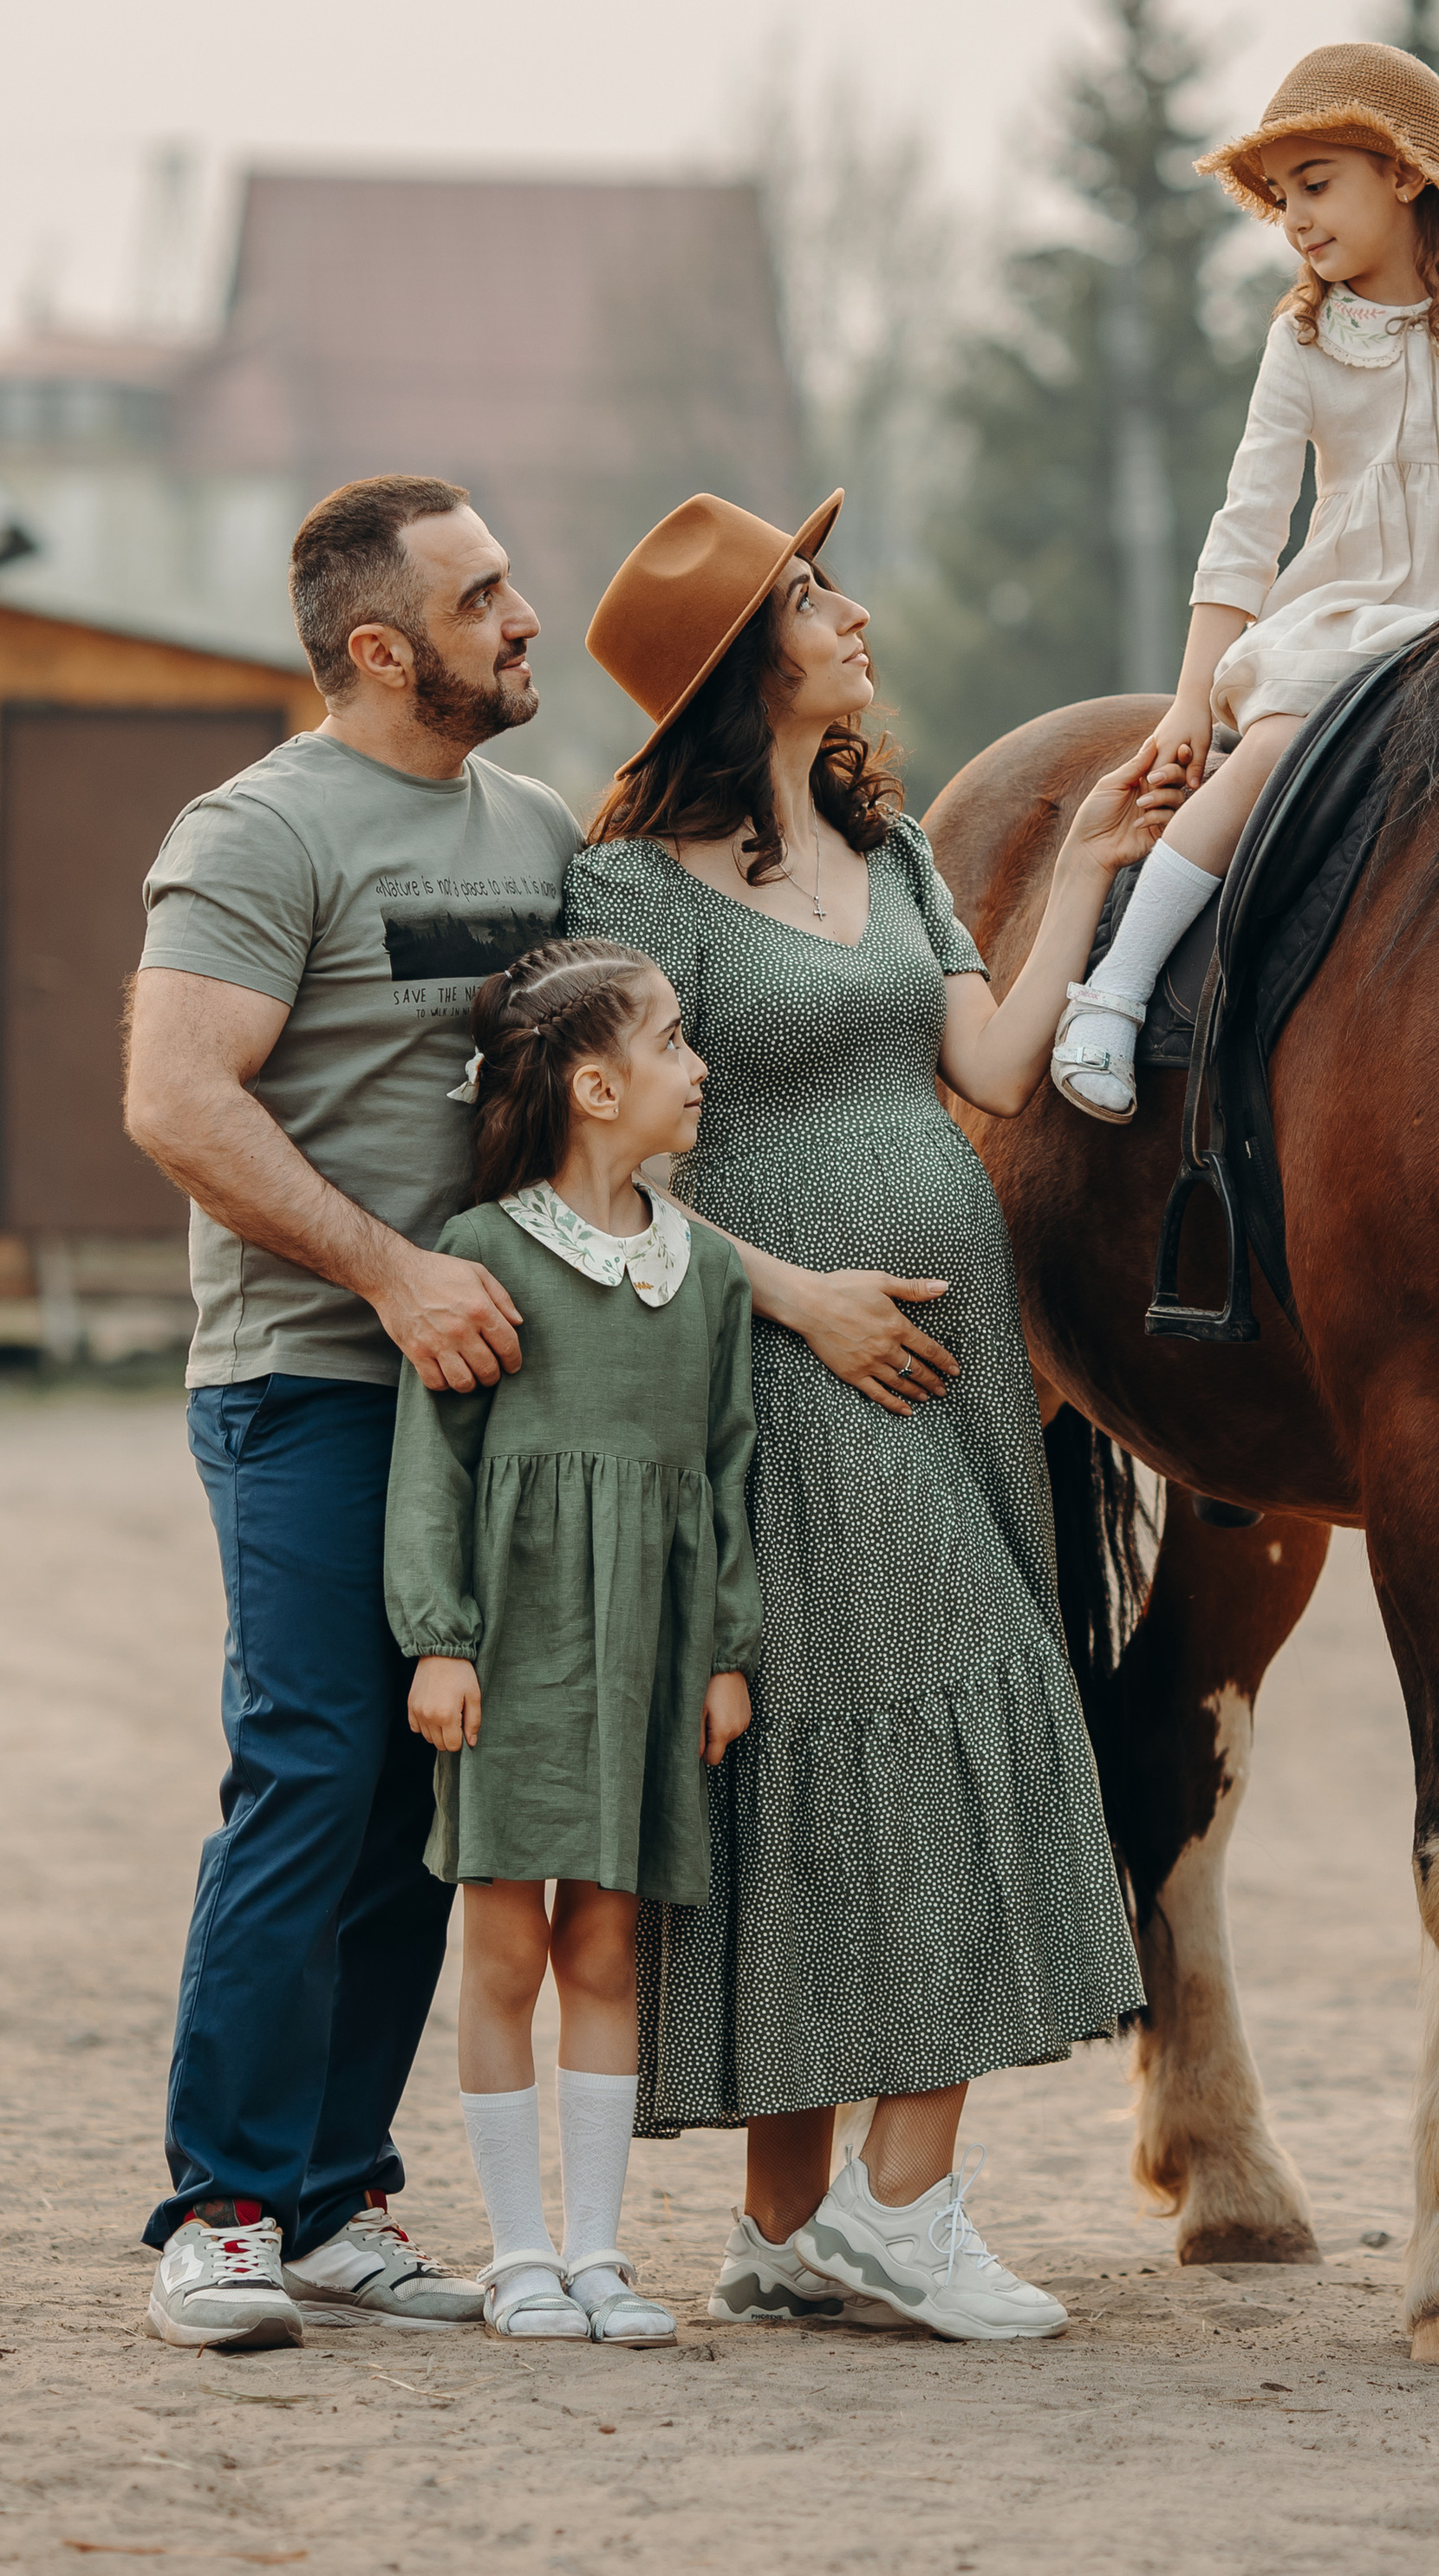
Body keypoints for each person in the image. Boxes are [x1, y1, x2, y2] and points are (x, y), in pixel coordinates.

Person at [562, 489, 1162, 2344]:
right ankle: (904, 2215)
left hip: (945, 1357)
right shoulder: (631, 895)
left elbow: (983, 1064)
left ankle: (784, 2223)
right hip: (769, 1359)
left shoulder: (886, 848)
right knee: (948, 1708)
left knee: (857, 1743)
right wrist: (798, 1296)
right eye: (814, 597)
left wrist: (1078, 883)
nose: (853, 611)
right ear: (742, 661)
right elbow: (585, 1176)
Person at [125, 475, 582, 2351]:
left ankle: (330, 2201)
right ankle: (221, 2207)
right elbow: (175, 1097)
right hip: (308, 1379)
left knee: (421, 1793)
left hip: (493, 1398)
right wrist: (392, 1275)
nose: (523, 614)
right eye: (485, 596)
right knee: (311, 1770)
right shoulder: (256, 830)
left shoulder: (541, 828)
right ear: (380, 647)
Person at [1052, 38, 1439, 1118]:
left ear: (1404, 174)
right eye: (1279, 198)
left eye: (1316, 184)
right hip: (1353, 611)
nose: (1295, 218)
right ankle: (1117, 991)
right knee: (1265, 749)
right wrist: (1184, 698)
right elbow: (1249, 522)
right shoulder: (1304, 340)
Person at [386, 938, 759, 2346]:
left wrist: (726, 1650)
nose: (697, 1065)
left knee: (608, 1948)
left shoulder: (705, 1273)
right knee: (504, 1954)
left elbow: (723, 1472)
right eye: (673, 1043)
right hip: (516, 1646)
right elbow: (435, 1464)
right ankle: (519, 2254)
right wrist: (440, 1639)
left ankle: (598, 2255)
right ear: (597, 1086)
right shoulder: (484, 1254)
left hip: (649, 1658)